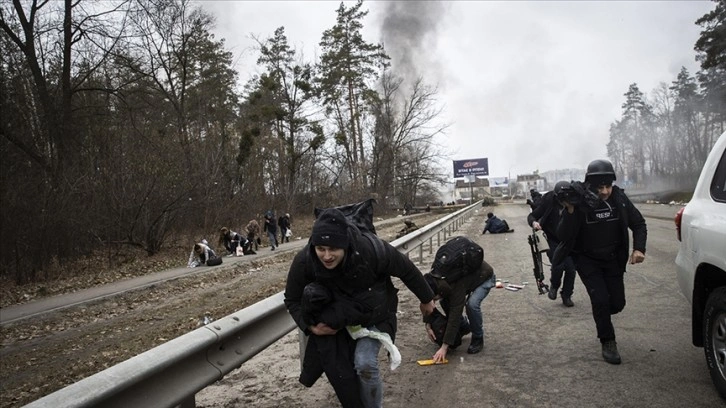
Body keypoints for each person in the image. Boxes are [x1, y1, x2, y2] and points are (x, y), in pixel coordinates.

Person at [284, 207, 435, 408]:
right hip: (338, 318)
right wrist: (310, 327)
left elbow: (406, 269)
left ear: (345, 245)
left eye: (333, 249)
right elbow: (292, 299)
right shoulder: (305, 260)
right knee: (343, 376)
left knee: (364, 363)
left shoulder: (371, 250)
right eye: (321, 249)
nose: (327, 256)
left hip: (375, 313)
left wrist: (426, 299)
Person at [556, 159, 647, 365]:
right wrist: (570, 212)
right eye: (600, 187)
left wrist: (639, 248)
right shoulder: (579, 202)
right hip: (588, 260)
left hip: (614, 259)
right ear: (590, 185)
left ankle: (604, 313)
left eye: (608, 186)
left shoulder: (620, 199)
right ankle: (608, 341)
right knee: (600, 301)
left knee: (617, 303)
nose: (605, 191)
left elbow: (639, 223)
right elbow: (563, 234)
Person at [423, 256, 496, 362]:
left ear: (438, 292)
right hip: (470, 279)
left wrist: (444, 348)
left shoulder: (455, 286)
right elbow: (427, 303)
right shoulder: (434, 276)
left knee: (472, 305)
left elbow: (454, 315)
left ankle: (478, 338)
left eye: (434, 299)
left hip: (485, 277)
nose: (434, 301)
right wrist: (428, 325)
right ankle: (463, 327)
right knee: (445, 301)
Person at [527, 180, 577, 307]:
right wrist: (534, 223)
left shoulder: (575, 202)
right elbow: (532, 215)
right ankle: (554, 285)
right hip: (552, 239)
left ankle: (566, 295)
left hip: (569, 240)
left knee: (571, 269)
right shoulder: (548, 200)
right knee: (558, 264)